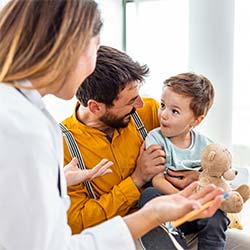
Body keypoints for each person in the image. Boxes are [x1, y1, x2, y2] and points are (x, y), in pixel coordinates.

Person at [0, 1, 224, 250]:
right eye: (95, 48)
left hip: (167, 222)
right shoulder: (26, 130)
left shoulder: (27, 115)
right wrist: (143, 195)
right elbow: (56, 241)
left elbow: (201, 149)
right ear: (71, 49)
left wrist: (198, 174)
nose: (142, 104)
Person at [138, 72, 229, 250]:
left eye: (174, 111)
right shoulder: (155, 139)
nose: (164, 114)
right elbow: (157, 180)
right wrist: (184, 201)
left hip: (198, 211)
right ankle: (173, 244)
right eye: (163, 105)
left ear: (196, 120)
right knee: (148, 195)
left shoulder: (206, 146)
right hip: (170, 208)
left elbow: (214, 177)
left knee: (218, 212)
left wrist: (201, 199)